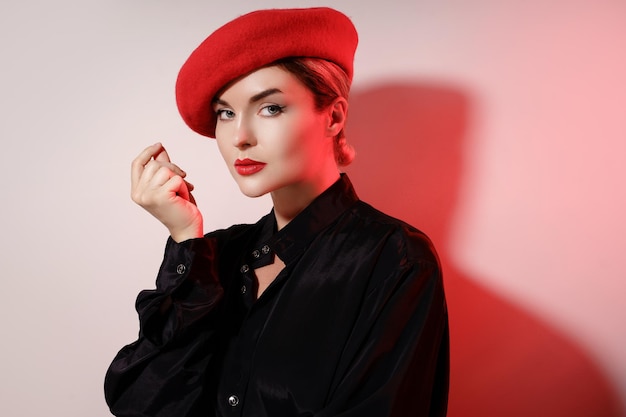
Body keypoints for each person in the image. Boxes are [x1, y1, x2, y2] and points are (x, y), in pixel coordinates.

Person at [104, 7, 449, 417]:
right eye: (225, 113)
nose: (240, 137)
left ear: (334, 116)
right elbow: (144, 404)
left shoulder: (395, 260)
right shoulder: (214, 256)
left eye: (270, 108)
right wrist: (185, 242)